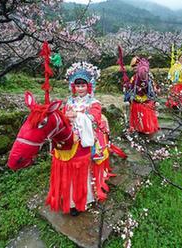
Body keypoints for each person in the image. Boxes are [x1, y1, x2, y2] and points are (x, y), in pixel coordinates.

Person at [45, 62, 113, 216]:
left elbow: (94, 118)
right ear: (73, 87)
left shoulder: (94, 103)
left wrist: (78, 116)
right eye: (77, 86)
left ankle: (81, 199)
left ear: (89, 86)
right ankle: (66, 196)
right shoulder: (69, 102)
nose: (80, 88)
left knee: (81, 168)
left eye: (83, 85)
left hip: (85, 140)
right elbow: (62, 118)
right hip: (70, 138)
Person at [124, 56, 159, 135]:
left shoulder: (147, 76)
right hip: (137, 100)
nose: (134, 68)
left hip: (146, 100)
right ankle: (139, 128)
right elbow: (130, 88)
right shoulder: (134, 77)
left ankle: (145, 129)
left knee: (145, 115)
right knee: (138, 115)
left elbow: (153, 88)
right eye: (133, 67)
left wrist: (155, 99)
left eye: (135, 66)